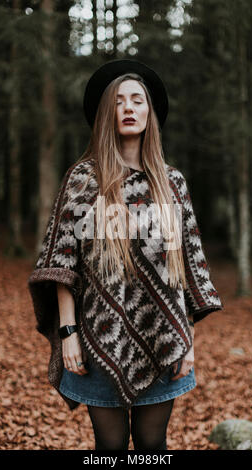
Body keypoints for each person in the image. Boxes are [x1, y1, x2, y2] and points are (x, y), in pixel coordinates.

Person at [28, 59, 223, 451]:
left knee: (153, 445)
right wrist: (68, 333)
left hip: (163, 336)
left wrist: (188, 340)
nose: (129, 108)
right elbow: (62, 263)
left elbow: (188, 269)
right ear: (106, 113)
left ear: (150, 113)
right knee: (109, 448)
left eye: (137, 100)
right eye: (119, 102)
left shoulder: (173, 184)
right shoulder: (83, 180)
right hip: (98, 340)